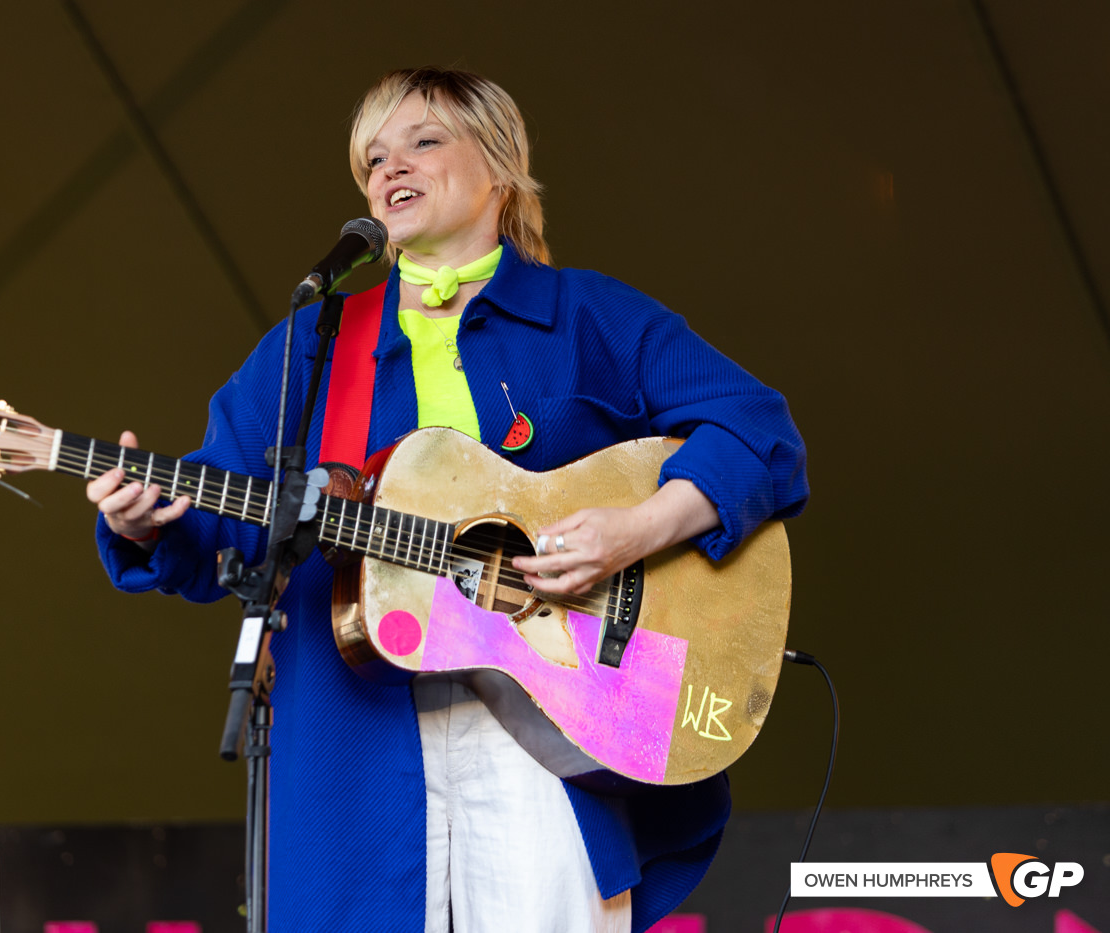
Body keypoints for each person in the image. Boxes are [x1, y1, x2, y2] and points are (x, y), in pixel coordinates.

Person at [87, 67, 807, 933]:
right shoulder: (314, 344)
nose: (392, 168)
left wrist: (635, 529)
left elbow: (760, 432)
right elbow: (216, 533)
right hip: (357, 733)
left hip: (556, 723)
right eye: (373, 158)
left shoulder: (588, 317)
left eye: (423, 142)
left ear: (499, 165)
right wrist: (140, 519)